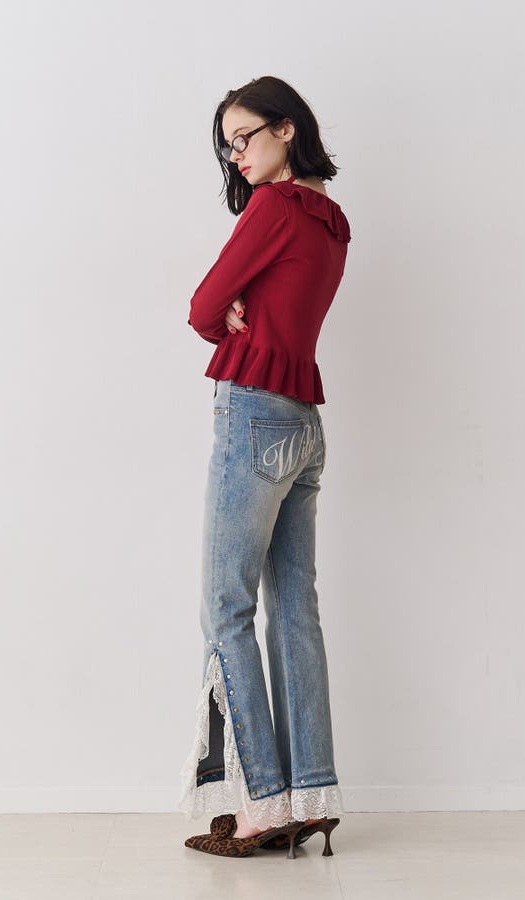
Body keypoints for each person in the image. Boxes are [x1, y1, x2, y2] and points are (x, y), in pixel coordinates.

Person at [178, 76, 351, 859]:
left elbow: (201, 307)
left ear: (286, 128)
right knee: (293, 610)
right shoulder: (330, 217)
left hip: (253, 415)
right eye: (228, 145)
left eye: (245, 136)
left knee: (225, 611)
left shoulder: (275, 207)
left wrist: (224, 315)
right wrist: (236, 309)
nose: (236, 154)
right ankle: (311, 796)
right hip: (304, 424)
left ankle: (259, 806)